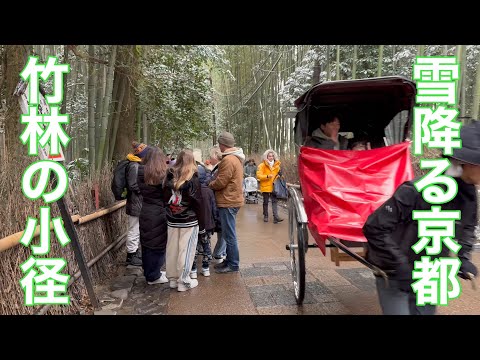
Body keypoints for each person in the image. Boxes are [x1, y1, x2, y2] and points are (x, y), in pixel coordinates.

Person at [362, 120, 480, 315]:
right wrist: (400, 267)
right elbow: (374, 227)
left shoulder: (468, 194)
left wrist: (463, 257)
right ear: (466, 163)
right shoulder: (417, 190)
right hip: (394, 273)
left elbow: (467, 227)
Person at [163, 149, 206, 291]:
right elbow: (198, 202)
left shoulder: (169, 175)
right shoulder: (192, 177)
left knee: (172, 249)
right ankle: (184, 281)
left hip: (172, 217)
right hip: (189, 219)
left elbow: (164, 197)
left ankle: (173, 280)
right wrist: (203, 223)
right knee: (186, 250)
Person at [208, 131, 245, 274]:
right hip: (231, 200)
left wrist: (210, 184)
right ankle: (229, 260)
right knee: (229, 233)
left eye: (219, 144)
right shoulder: (235, 158)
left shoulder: (228, 160)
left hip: (228, 201)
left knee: (229, 235)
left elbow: (221, 181)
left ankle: (233, 264)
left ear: (222, 144)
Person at [137, 147, 169, 285]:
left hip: (145, 210)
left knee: (146, 243)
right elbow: (167, 195)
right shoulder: (163, 174)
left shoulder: (140, 171)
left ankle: (149, 272)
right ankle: (153, 276)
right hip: (159, 212)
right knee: (158, 245)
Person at [125, 141, 149, 266]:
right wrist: (144, 190)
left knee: (137, 228)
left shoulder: (137, 164)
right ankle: (131, 255)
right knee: (133, 228)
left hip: (137, 201)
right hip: (135, 201)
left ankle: (135, 251)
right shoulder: (134, 165)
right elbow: (133, 184)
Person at [207, 145, 225, 264]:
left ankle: (219, 252)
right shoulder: (216, 167)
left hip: (220, 201)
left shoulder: (219, 168)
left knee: (223, 229)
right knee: (221, 229)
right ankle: (220, 252)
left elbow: (216, 183)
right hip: (217, 201)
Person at [256, 149, 284, 224]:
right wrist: (267, 176)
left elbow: (281, 176)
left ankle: (276, 217)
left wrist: (281, 175)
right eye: (269, 156)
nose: (271, 157)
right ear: (266, 157)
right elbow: (258, 176)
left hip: (274, 186)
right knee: (265, 202)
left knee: (274, 201)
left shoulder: (277, 165)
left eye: (272, 156)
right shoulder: (262, 165)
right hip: (265, 186)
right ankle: (265, 215)